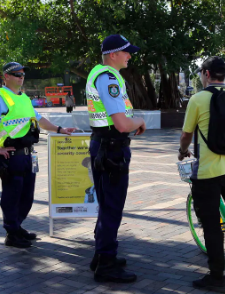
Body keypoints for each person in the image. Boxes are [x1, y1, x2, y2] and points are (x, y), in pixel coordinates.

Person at [0, 62, 76, 248]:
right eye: (16, 74)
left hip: (28, 154)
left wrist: (60, 129)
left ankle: (17, 226)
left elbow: (39, 120)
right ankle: (11, 232)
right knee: (12, 195)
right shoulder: (0, 97)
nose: (21, 77)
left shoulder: (23, 97)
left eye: (22, 74)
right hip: (12, 155)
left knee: (27, 196)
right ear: (6, 77)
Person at [177, 56, 225, 293]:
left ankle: (217, 276)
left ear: (206, 74)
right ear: (223, 75)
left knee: (211, 225)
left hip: (208, 173)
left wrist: (182, 151)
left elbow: (186, 135)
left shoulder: (198, 99)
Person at [86, 35, 145, 283]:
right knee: (112, 207)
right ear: (113, 55)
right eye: (126, 52)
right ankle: (106, 264)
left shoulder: (102, 75)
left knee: (107, 204)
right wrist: (139, 122)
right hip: (111, 149)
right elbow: (121, 123)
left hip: (105, 146)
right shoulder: (107, 77)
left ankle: (102, 255)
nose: (129, 55)